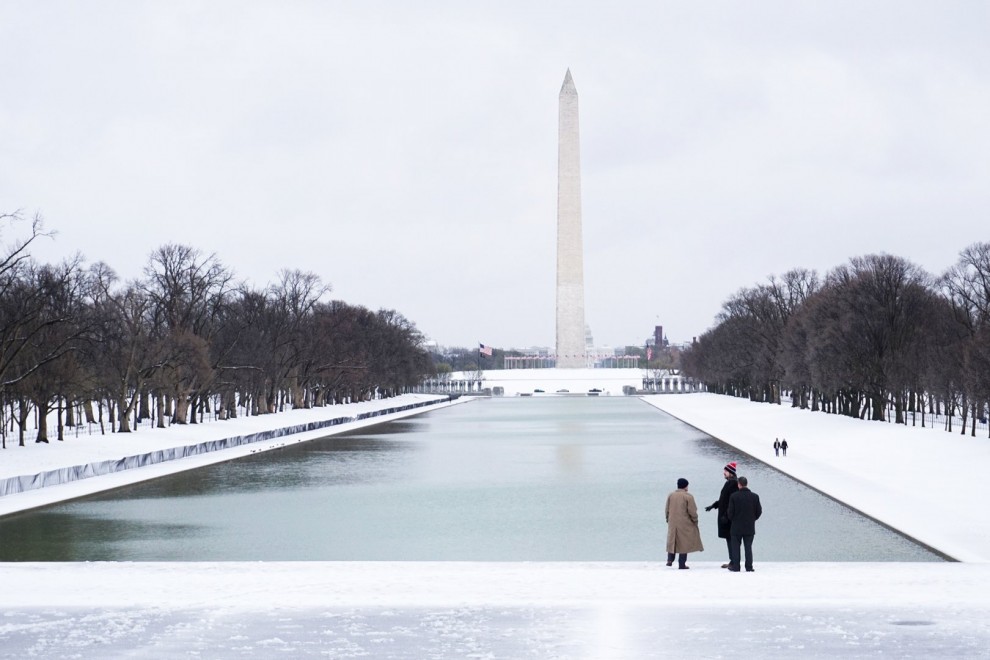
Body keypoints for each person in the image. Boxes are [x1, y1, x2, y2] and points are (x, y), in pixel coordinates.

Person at [704, 462, 738, 568]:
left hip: (728, 518)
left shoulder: (732, 484)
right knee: (729, 538)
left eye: (725, 471)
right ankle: (732, 560)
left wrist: (726, 516)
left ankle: (734, 561)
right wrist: (714, 505)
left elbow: (731, 502)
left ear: (731, 473)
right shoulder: (730, 483)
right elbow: (724, 499)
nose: (724, 473)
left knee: (731, 539)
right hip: (726, 517)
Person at [665, 477, 704, 569]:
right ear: (686, 486)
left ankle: (670, 560)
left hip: (672, 522)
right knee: (684, 543)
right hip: (685, 523)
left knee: (672, 540)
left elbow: (667, 509)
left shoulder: (671, 495)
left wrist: (668, 519)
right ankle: (682, 564)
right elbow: (692, 511)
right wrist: (695, 521)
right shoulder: (688, 496)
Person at [727, 476, 762, 572]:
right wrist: (753, 519)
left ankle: (736, 567)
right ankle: (749, 567)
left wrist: (733, 519)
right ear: (747, 484)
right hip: (749, 526)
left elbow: (730, 513)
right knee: (748, 547)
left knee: (735, 548)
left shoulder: (733, 496)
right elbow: (759, 511)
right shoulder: (755, 496)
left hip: (736, 527)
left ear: (739, 484)